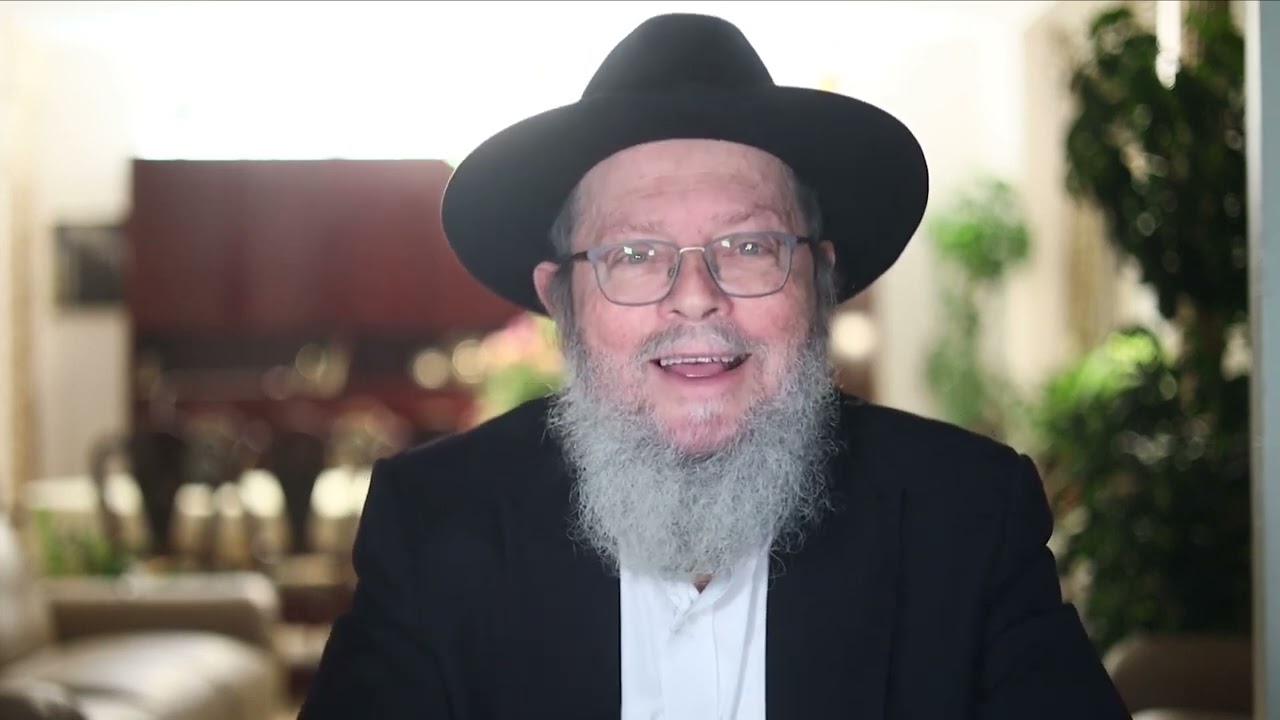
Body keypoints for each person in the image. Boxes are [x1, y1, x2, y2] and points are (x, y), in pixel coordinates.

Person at [301, 13, 1130, 719]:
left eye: (749, 246)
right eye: (634, 254)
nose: (695, 298)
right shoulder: (437, 526)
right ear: (562, 301)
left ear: (820, 282)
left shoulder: (968, 521)